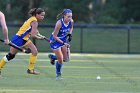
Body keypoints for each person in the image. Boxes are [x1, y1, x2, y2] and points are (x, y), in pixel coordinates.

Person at [0, 8, 46, 76]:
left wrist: (37, 33)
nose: (43, 17)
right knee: (10, 56)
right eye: (41, 15)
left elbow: (32, 30)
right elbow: (33, 35)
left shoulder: (32, 19)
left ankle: (30, 69)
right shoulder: (35, 22)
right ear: (37, 14)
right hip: (19, 39)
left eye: (43, 15)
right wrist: (40, 38)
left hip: (23, 39)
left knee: (34, 51)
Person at [48, 9, 74, 79]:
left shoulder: (71, 21)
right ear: (64, 16)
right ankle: (58, 74)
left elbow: (71, 28)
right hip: (55, 41)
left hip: (63, 39)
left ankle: (53, 57)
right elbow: (55, 36)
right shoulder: (59, 23)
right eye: (68, 17)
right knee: (60, 59)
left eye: (71, 16)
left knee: (66, 59)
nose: (70, 18)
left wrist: (70, 34)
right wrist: (63, 43)